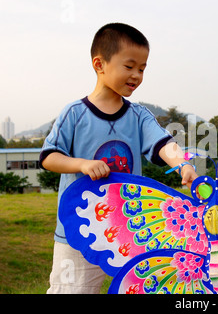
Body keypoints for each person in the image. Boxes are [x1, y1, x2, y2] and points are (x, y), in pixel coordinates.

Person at [40, 23, 198, 294]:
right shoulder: (74, 113)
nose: (137, 75)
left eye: (143, 68)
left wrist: (182, 164)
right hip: (77, 230)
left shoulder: (139, 115)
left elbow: (162, 143)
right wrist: (82, 164)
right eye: (130, 66)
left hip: (130, 229)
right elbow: (49, 156)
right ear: (99, 64)